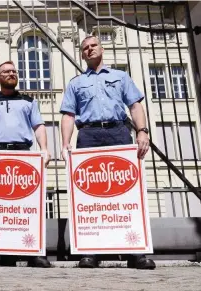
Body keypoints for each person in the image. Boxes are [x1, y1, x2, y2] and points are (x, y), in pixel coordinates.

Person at [60, 35, 156, 270]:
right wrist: (65, 144)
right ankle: (91, 251)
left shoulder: (120, 77)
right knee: (89, 195)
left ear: (101, 49)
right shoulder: (75, 83)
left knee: (127, 193)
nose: (89, 49)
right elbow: (68, 115)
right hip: (89, 135)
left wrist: (142, 132)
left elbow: (134, 105)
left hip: (118, 132)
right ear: (82, 54)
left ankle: (136, 252)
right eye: (85, 48)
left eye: (93, 46)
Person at [0, 61, 52, 268]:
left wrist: (44, 149)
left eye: (14, 71)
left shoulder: (28, 101)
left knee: (29, 205)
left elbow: (39, 126)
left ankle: (35, 251)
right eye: (6, 71)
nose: (11, 74)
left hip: (24, 153)